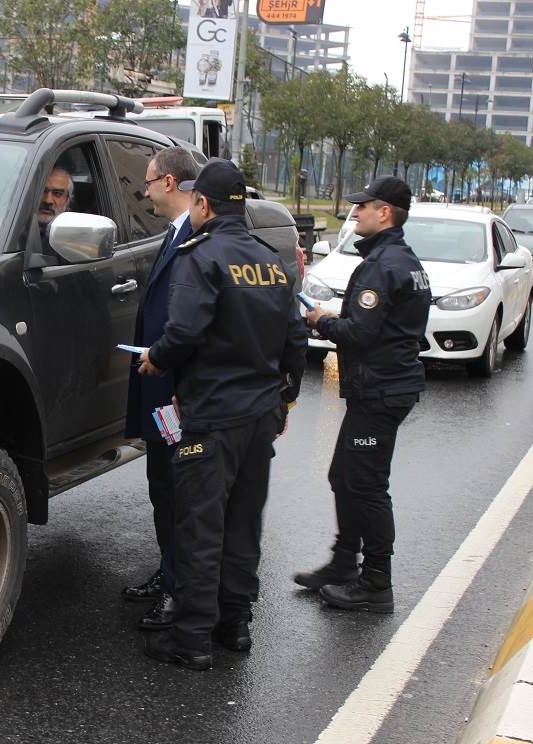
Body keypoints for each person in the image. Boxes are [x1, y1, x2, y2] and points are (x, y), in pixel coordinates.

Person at [137, 159, 307, 670]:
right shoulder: (271, 259)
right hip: (259, 418)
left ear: (203, 205)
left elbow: (185, 332)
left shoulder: (200, 256)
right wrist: (284, 399)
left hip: (211, 416)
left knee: (200, 528)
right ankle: (234, 626)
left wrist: (156, 358)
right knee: (242, 526)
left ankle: (190, 640)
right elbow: (296, 338)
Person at [296, 176, 431, 612]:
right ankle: (342, 564)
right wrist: (342, 315)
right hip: (386, 384)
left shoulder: (381, 265)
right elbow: (381, 322)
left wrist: (319, 320)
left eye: (363, 207)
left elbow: (360, 334)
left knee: (367, 485)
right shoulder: (402, 260)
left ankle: (376, 582)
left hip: (381, 389)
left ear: (385, 212)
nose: (355, 214)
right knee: (345, 476)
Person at [121, 147, 200, 630]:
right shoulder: (175, 234)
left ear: (169, 183)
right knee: (161, 488)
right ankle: (168, 571)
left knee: (177, 492)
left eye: (147, 183)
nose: (144, 191)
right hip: (160, 388)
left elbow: (188, 323)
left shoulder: (196, 238)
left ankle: (178, 588)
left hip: (176, 389)